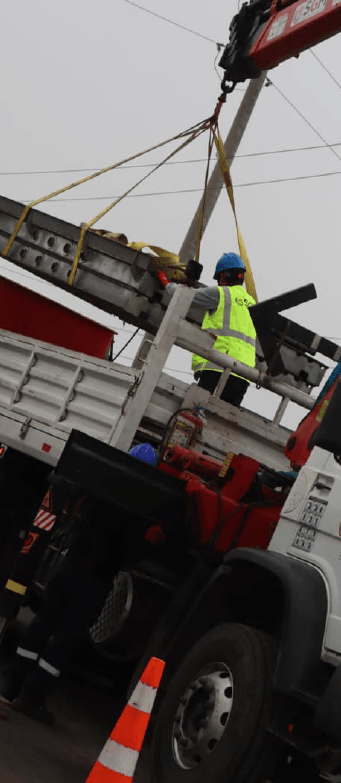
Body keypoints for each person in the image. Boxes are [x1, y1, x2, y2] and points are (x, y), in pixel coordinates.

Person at [0, 443, 158, 725]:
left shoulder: (102, 486)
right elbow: (129, 554)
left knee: (42, 624)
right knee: (64, 639)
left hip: (68, 570)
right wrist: (151, 543)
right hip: (94, 583)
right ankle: (32, 698)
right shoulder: (141, 511)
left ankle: (10, 685)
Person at [167, 253, 256, 407]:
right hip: (244, 375)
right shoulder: (252, 303)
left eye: (218, 278)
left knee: (197, 410)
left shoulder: (221, 294)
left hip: (218, 366)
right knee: (220, 417)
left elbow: (185, 296)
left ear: (224, 275)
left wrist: (167, 284)